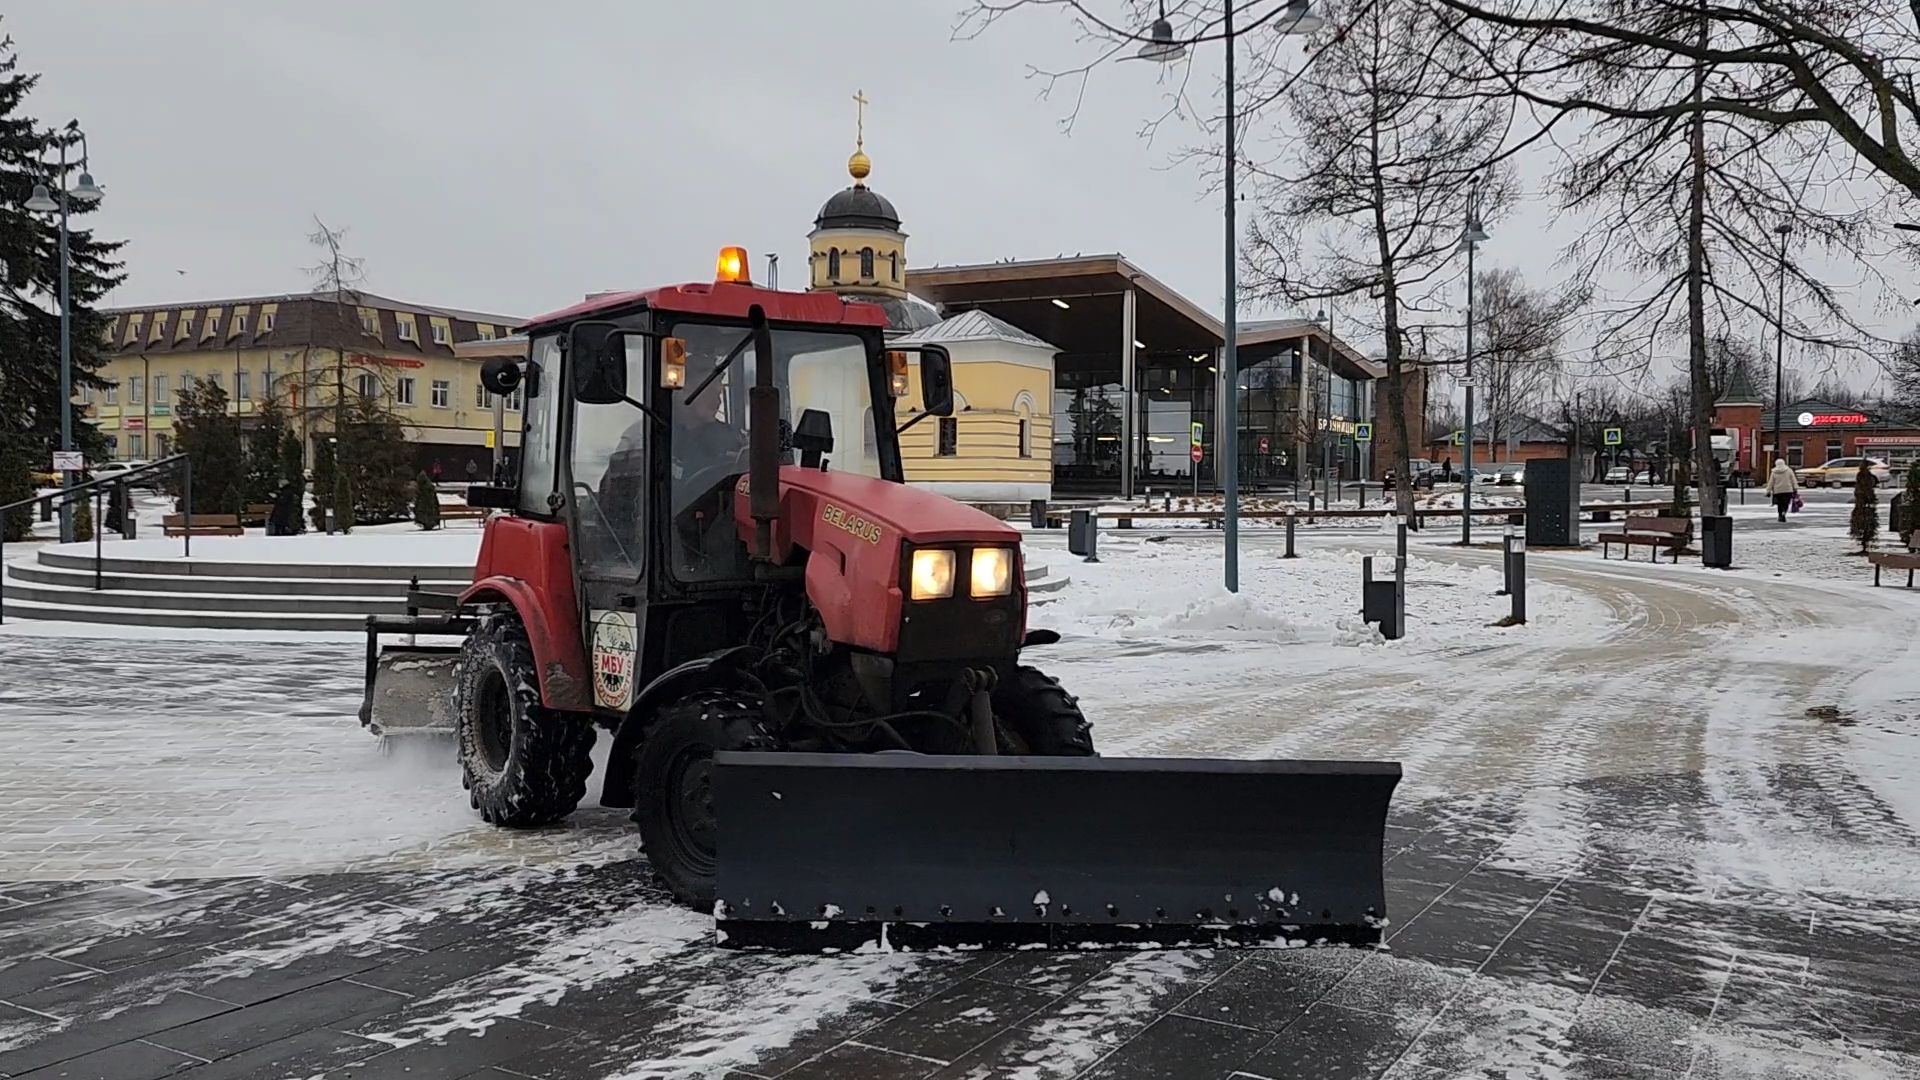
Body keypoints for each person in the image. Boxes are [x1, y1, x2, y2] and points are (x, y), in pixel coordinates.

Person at [1765, 457, 1798, 522]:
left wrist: (1768, 490)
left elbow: (1771, 482)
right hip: (1788, 490)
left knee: (1780, 504)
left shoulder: (1774, 472)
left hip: (1777, 491)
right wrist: (1795, 488)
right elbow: (1793, 480)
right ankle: (1784, 512)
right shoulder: (1789, 470)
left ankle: (1780, 514)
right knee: (1786, 503)